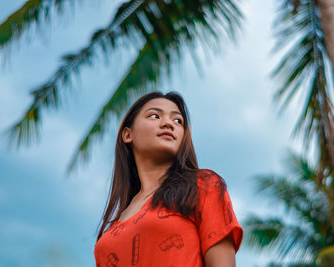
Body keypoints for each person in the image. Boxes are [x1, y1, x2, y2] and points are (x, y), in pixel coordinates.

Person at [94, 91, 243, 266]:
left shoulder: (202, 185)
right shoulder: (113, 226)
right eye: (155, 116)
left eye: (177, 121)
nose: (168, 124)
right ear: (128, 134)